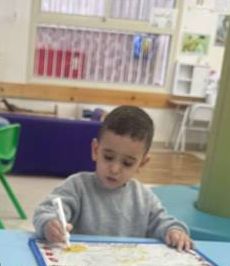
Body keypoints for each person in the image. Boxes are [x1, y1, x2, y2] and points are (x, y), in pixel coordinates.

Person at [33, 106, 193, 251]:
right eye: (108, 157)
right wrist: (49, 224)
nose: (115, 169)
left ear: (142, 164)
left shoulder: (144, 198)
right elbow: (45, 212)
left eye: (127, 163)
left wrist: (174, 231)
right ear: (96, 150)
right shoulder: (77, 186)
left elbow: (162, 222)